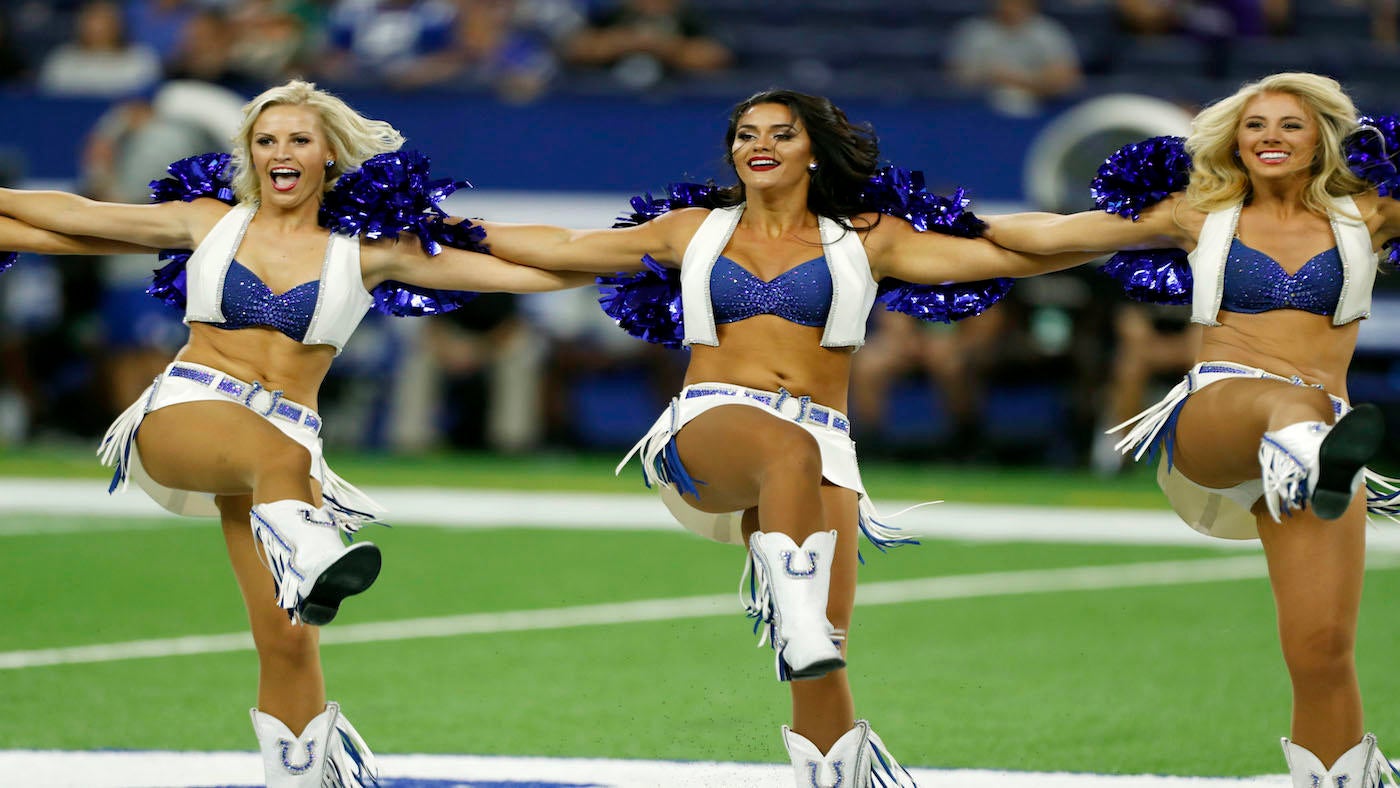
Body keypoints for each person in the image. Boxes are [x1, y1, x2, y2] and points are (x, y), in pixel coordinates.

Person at [474, 89, 1094, 787]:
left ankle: (834, 771)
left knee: (824, 665)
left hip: (825, 445)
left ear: (811, 152)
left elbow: (1009, 256)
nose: (758, 144)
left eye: (780, 133)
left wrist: (1146, 229)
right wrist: (436, 224)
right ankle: (794, 613)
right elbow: (562, 247)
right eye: (745, 134)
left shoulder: (867, 237)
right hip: (710, 426)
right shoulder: (694, 230)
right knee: (786, 465)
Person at [0, 79, 593, 788]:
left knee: (288, 641)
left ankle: (299, 778)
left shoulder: (372, 253)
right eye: (266, 140)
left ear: (329, 157)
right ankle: (312, 549)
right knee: (275, 459)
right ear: (250, 155)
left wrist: (667, 255)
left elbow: (539, 272)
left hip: (284, 447)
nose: (281, 151)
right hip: (189, 414)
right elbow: (73, 216)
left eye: (298, 140)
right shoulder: (208, 222)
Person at [983, 72, 1400, 782]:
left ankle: (1340, 775)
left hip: (1319, 448)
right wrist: (933, 225)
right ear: (1233, 140)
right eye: (1255, 125)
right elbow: (1052, 236)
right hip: (1218, 420)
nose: (1270, 137)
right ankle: (1308, 448)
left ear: (1323, 137)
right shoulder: (1199, 213)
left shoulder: (1372, 213)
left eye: (1290, 126)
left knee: (1323, 648)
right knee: (1291, 409)